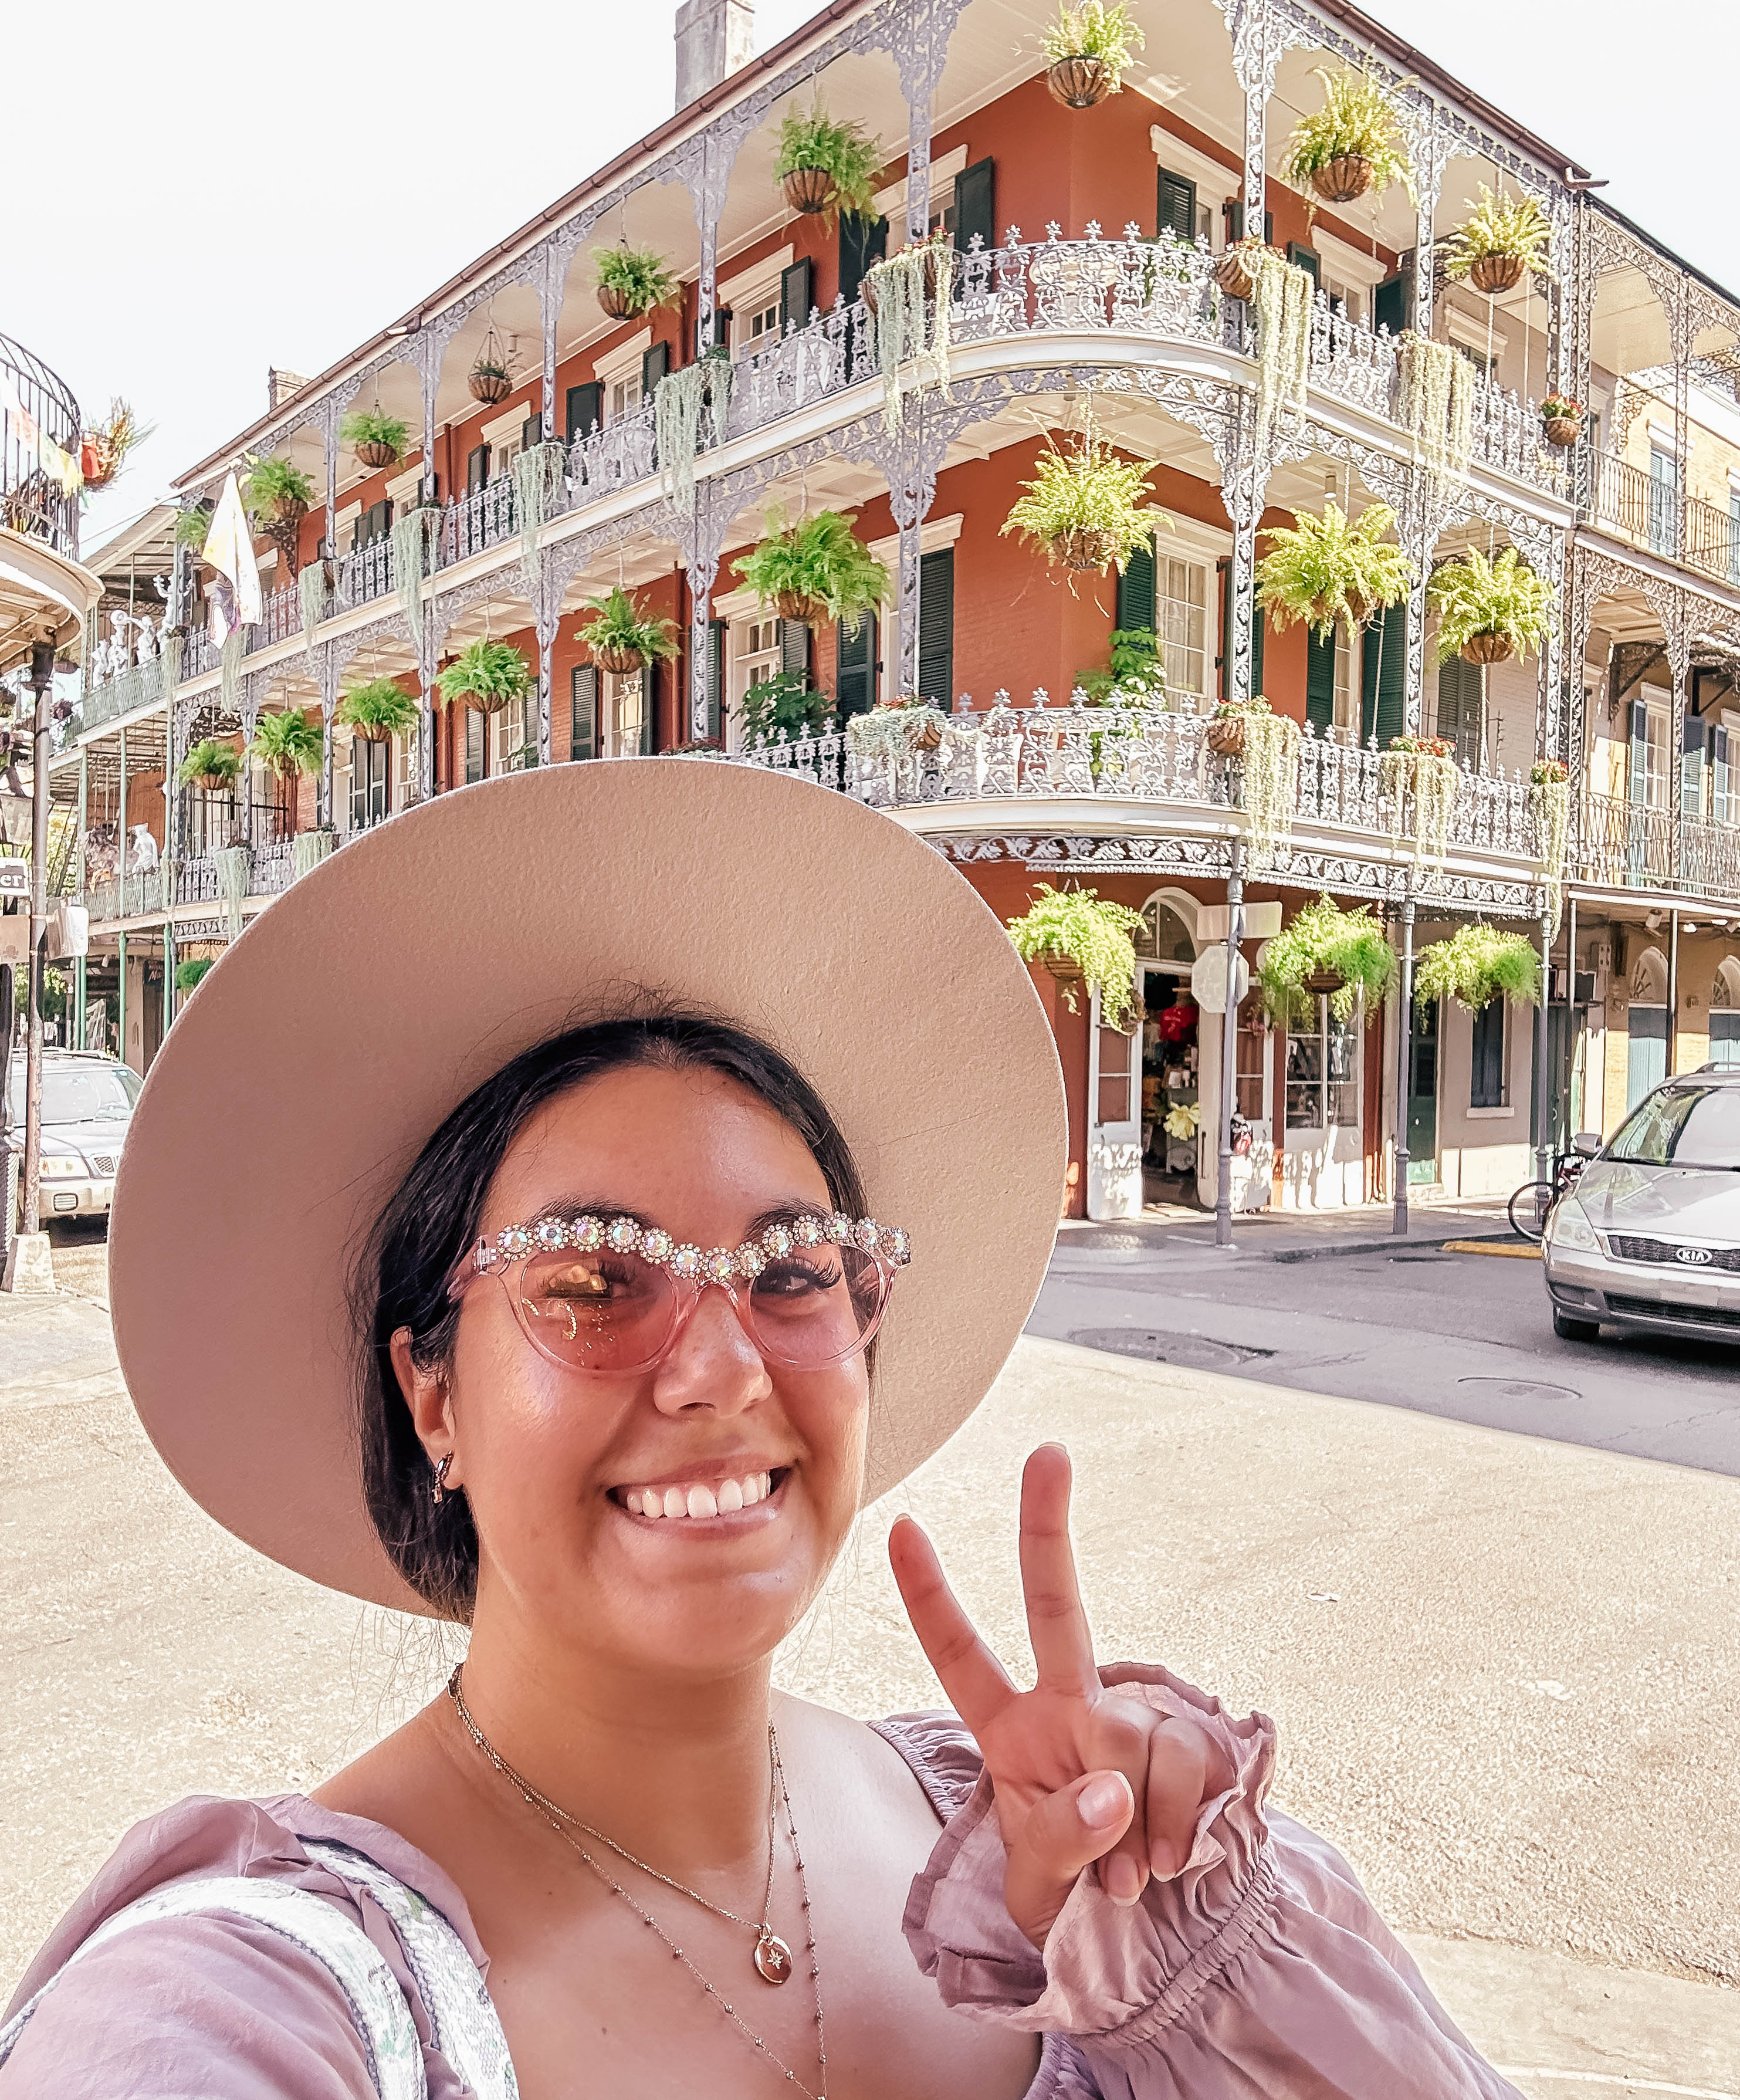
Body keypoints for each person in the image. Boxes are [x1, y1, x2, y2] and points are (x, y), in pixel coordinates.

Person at [0, 762, 1519, 2098]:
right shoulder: (258, 1997)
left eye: (792, 1268)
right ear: (434, 1394)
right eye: (594, 1275)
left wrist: (1153, 1916)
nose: (723, 1368)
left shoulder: (1045, 1858)